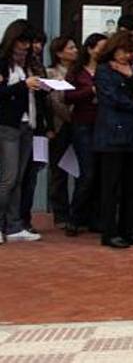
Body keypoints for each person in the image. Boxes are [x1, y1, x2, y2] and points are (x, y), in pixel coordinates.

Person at [93, 32, 133, 249]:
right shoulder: (104, 71)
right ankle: (110, 232)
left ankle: (130, 229)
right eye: (123, 51)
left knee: (131, 185)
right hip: (112, 133)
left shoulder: (131, 70)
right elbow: (112, 98)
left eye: (129, 52)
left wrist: (130, 76)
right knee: (111, 186)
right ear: (113, 50)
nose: (126, 56)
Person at [0, 20, 43, 243]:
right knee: (8, 177)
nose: (26, 47)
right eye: (23, 42)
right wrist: (23, 85)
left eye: (29, 42)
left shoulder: (28, 64)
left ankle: (14, 225)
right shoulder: (3, 64)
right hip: (8, 125)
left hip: (28, 124)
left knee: (19, 178)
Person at [65, 33, 107, 236]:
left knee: (100, 173)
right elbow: (67, 96)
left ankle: (95, 218)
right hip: (83, 124)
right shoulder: (77, 71)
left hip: (103, 125)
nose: (103, 50)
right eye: (100, 46)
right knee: (87, 173)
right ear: (90, 49)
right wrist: (91, 90)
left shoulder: (107, 69)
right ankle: (75, 217)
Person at [19, 30, 53, 233]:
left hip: (38, 126)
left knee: (32, 173)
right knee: (15, 175)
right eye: (35, 42)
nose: (38, 47)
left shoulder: (38, 66)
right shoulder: (17, 65)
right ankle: (12, 218)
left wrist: (49, 126)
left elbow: (45, 102)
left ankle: (25, 218)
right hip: (20, 123)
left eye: (41, 43)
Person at [46, 36, 78, 227]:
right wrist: (70, 117)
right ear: (59, 53)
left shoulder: (80, 72)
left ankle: (79, 212)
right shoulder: (50, 73)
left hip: (80, 125)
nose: (75, 50)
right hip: (60, 126)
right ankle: (61, 214)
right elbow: (54, 102)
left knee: (81, 169)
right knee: (59, 171)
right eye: (71, 47)